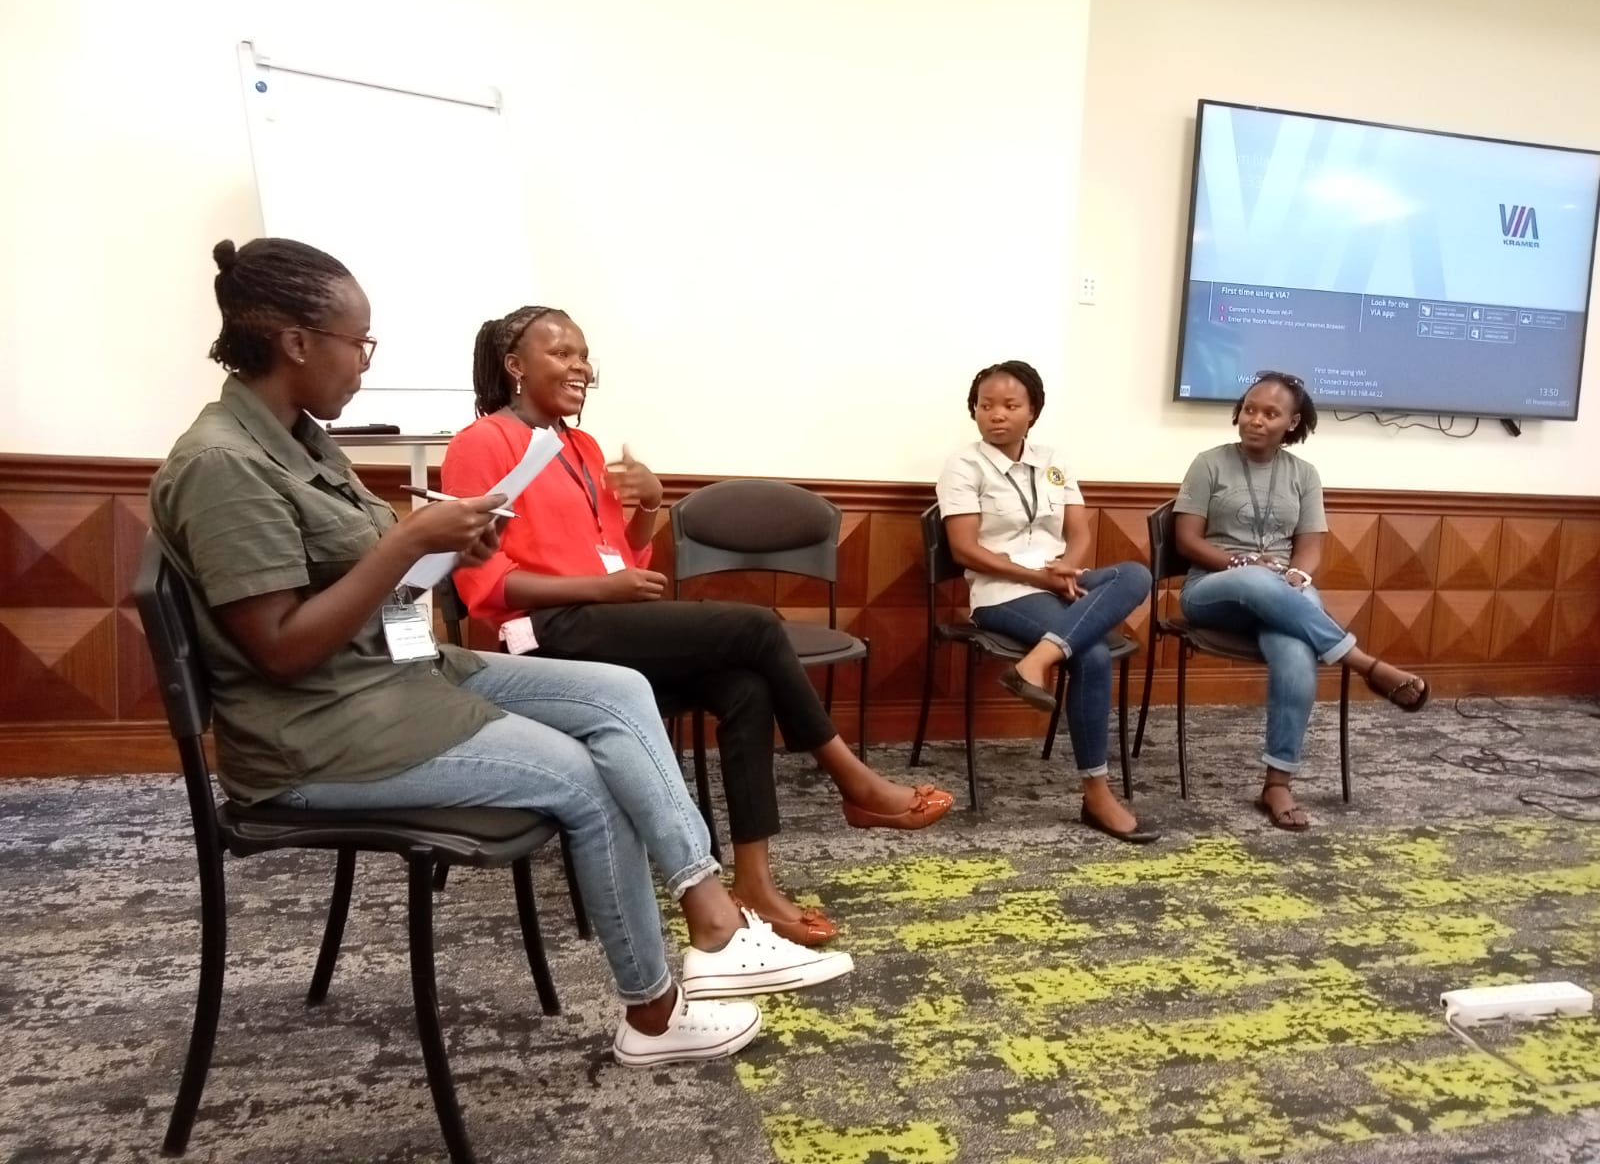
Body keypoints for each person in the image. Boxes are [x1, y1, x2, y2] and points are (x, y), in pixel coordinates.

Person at [151, 238, 854, 1069]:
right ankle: (655, 1013)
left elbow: (369, 575)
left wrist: (440, 547)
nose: (365, 367)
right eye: (359, 343)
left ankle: (716, 925)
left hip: (395, 679)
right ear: (299, 343)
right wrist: (406, 542)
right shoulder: (223, 465)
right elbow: (278, 651)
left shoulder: (298, 436)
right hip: (319, 731)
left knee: (618, 692)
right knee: (589, 775)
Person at [440, 305, 954, 947]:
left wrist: (649, 505)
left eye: (583, 353)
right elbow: (484, 584)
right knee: (759, 628)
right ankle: (854, 781)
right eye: (561, 353)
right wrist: (605, 587)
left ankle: (757, 885)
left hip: (604, 617)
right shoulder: (480, 443)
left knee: (747, 685)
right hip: (541, 636)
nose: (580, 366)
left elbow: (620, 559)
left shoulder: (582, 446)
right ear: (514, 366)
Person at [1174, 370, 1430, 831]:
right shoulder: (1208, 463)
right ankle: (1365, 663)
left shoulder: (1303, 475)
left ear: (1291, 423)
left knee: (1295, 651)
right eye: (1249, 409)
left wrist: (1299, 572)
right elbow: (1187, 541)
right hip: (1213, 588)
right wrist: (1242, 564)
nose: (1255, 419)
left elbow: (1309, 544)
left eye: (1270, 413)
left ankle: (1277, 782)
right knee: (1257, 580)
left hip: (1281, 591)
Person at [937, 360, 1157, 843]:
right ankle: (1097, 794)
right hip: (1002, 592)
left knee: (1135, 573)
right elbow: (965, 549)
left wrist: (1066, 568)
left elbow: (1078, 532)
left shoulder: (1054, 460)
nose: (996, 414)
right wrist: (1038, 575)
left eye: (1010, 405)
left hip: (1058, 582)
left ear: (1032, 411)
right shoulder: (964, 465)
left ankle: (1037, 661)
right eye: (985, 405)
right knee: (1093, 653)